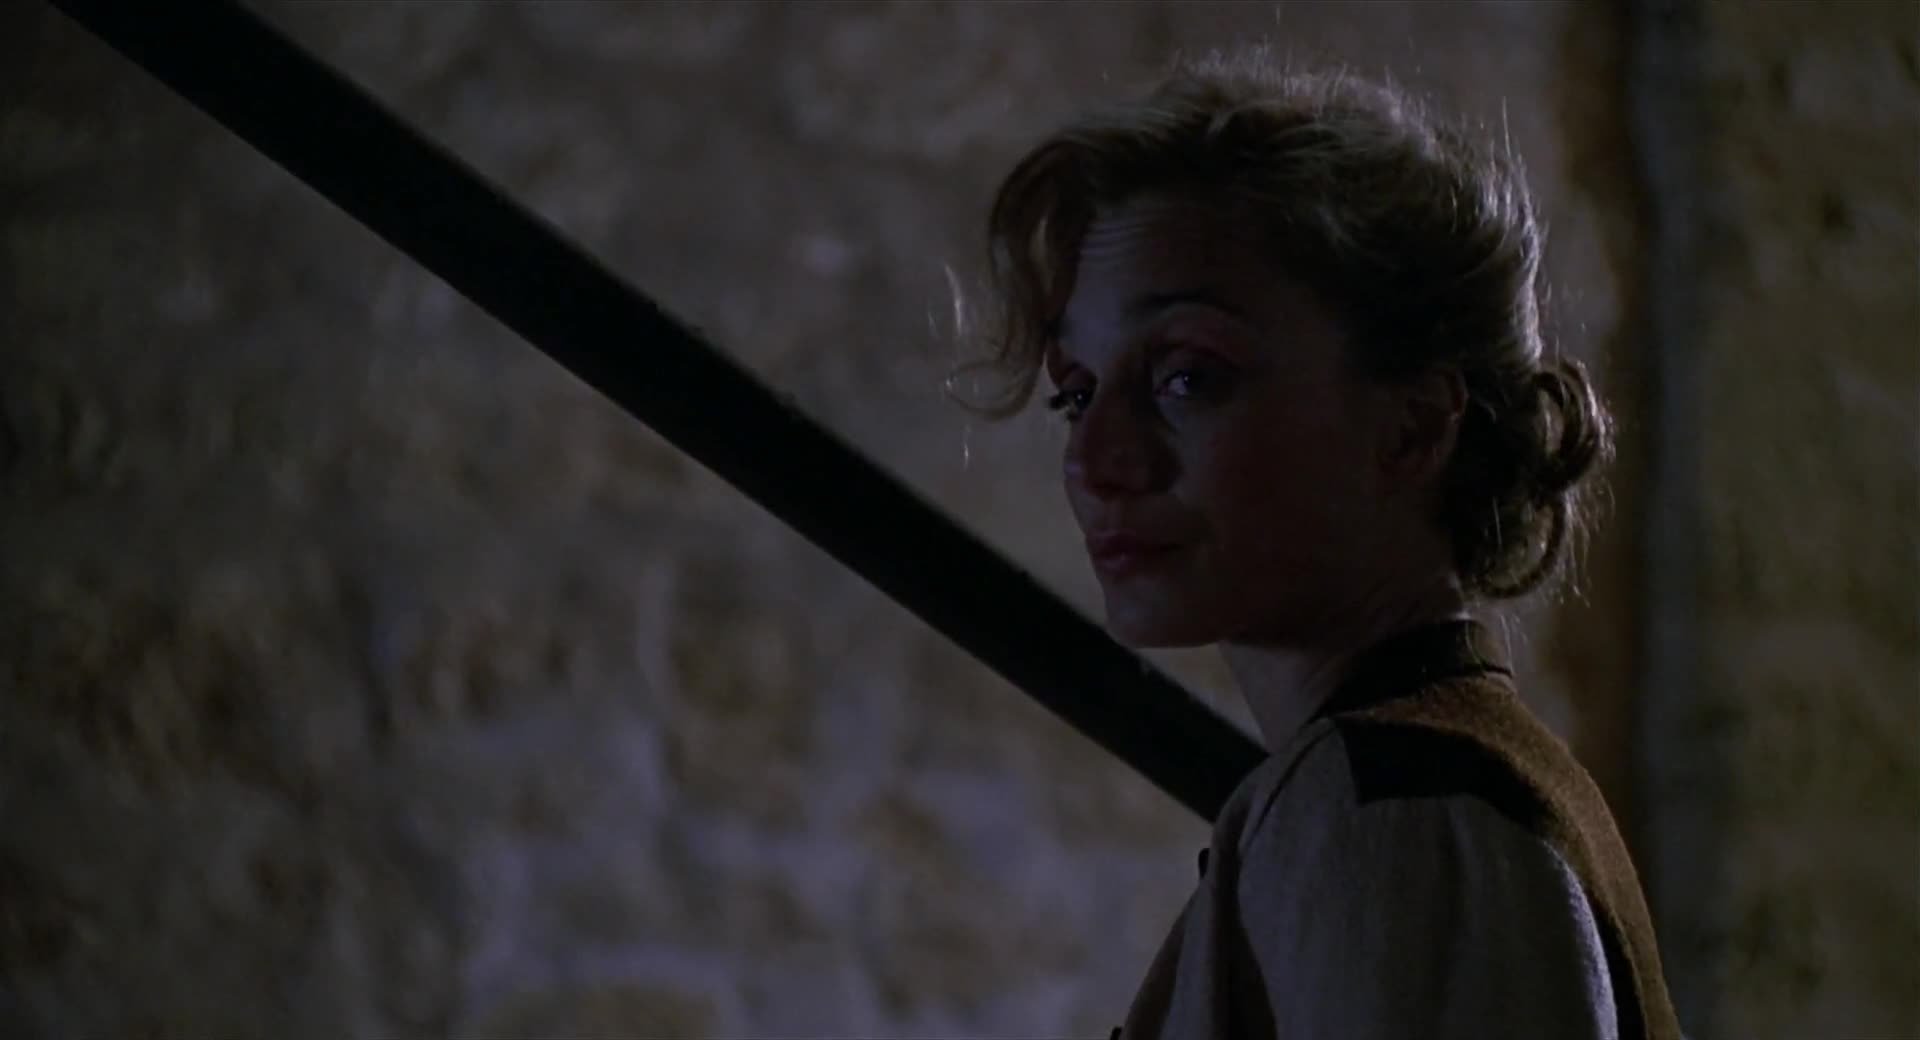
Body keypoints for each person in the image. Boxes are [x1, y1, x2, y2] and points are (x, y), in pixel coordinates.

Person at [955, 52, 1684, 1040]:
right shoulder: (1407, 787)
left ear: (1411, 428)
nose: (1096, 459)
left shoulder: (1401, 810)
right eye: (1077, 394)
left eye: (1187, 377)